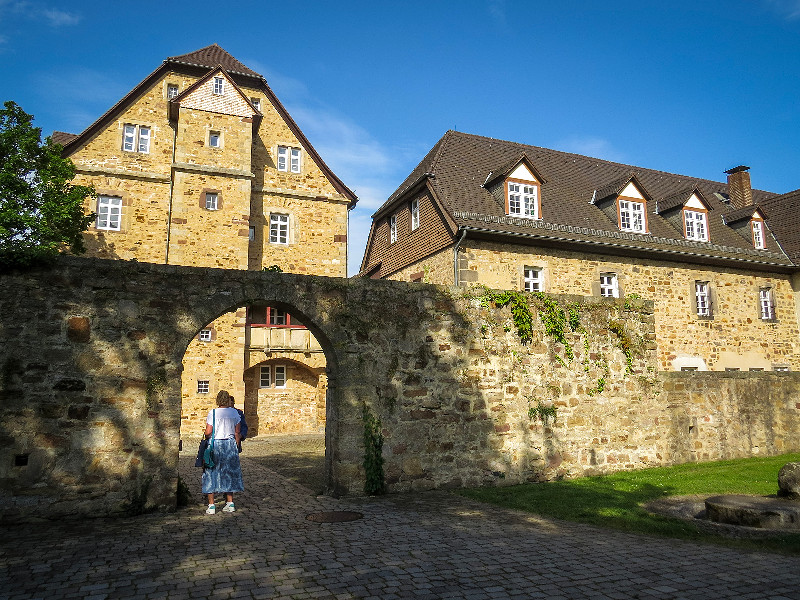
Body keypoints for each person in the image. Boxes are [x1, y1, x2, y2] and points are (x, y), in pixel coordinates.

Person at [202, 390, 244, 514]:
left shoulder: (213, 413)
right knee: (229, 472)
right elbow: (237, 431)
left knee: (211, 472)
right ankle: (230, 503)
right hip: (230, 444)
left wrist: (205, 434)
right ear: (228, 400)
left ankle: (211, 505)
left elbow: (209, 432)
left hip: (216, 444)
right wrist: (236, 445)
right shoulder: (234, 412)